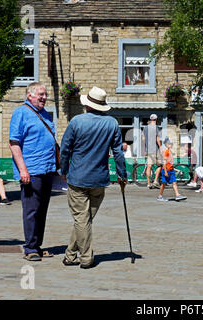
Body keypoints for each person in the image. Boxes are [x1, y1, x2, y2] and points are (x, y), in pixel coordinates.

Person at [60, 86, 127, 269]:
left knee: (81, 220)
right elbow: (118, 153)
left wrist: (63, 171)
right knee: (84, 220)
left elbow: (65, 150)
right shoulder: (112, 123)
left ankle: (86, 258)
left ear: (87, 105)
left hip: (78, 178)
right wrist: (122, 174)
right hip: (99, 179)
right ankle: (70, 255)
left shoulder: (76, 121)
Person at [9, 82, 57, 262]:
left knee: (42, 210)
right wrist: (23, 169)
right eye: (41, 94)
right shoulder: (20, 112)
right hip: (31, 170)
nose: (44, 97)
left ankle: (37, 244)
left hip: (47, 169)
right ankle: (30, 248)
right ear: (30, 95)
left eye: (45, 94)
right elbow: (14, 143)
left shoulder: (44, 114)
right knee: (31, 210)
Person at [156, 138, 187, 202]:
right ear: (166, 144)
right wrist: (165, 171)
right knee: (164, 183)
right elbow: (164, 162)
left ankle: (177, 195)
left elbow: (170, 162)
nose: (170, 145)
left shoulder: (169, 151)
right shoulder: (166, 151)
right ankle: (159, 196)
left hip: (171, 170)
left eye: (171, 144)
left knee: (174, 182)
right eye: (169, 143)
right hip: (166, 170)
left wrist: (173, 169)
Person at [142, 114, 162, 189]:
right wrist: (161, 148)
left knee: (149, 166)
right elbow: (157, 139)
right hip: (155, 150)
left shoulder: (145, 128)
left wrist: (144, 150)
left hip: (148, 150)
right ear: (156, 119)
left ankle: (148, 183)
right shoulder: (156, 127)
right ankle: (155, 181)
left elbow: (143, 140)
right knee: (160, 165)